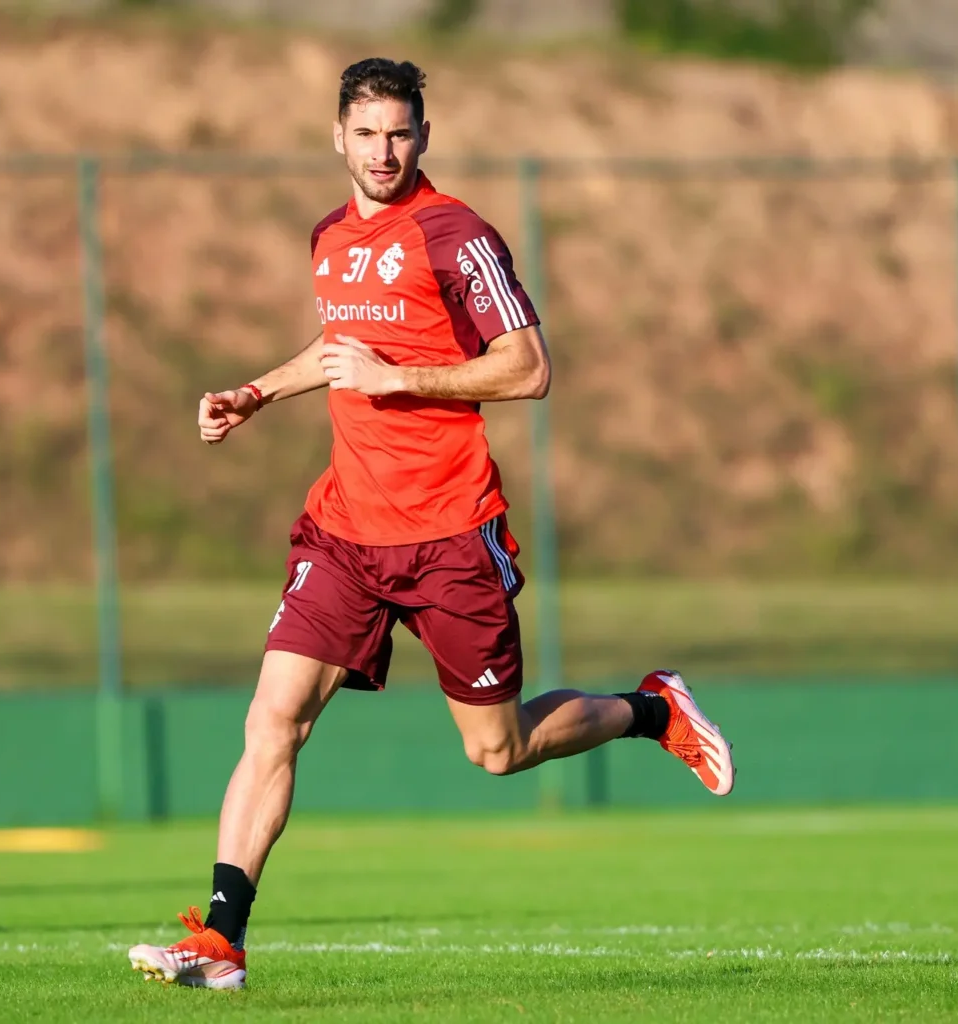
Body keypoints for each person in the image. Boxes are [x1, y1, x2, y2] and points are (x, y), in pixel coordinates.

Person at [127, 57, 734, 991]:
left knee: (499, 752)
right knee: (273, 719)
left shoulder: (458, 235)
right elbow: (342, 350)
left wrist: (402, 378)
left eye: (400, 132)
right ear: (337, 136)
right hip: (344, 532)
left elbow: (527, 368)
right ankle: (221, 940)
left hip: (449, 533)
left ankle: (650, 710)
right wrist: (259, 392)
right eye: (366, 133)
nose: (383, 150)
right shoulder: (330, 234)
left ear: (424, 136)